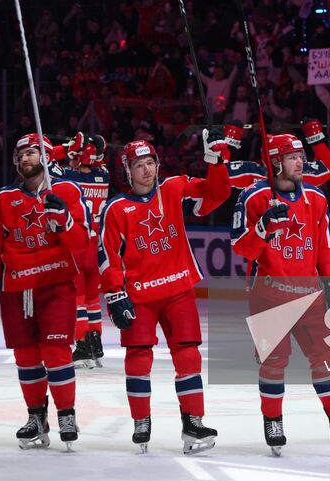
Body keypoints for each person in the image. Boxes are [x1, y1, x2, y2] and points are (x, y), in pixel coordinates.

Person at [231, 132, 330, 456]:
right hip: (268, 294)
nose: (300, 161)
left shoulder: (317, 198)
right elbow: (241, 247)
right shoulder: (253, 197)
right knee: (274, 363)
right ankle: (273, 420)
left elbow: (323, 248)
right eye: (291, 157)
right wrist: (263, 228)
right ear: (274, 162)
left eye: (300, 155)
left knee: (326, 358)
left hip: (310, 293)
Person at [98, 135, 231, 454]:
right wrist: (115, 293)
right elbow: (107, 255)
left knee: (188, 356)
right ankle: (141, 422)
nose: (146, 170)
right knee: (138, 360)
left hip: (178, 289)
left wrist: (218, 162)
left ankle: (193, 421)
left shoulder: (173, 187)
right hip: (139, 296)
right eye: (138, 165)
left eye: (150, 163)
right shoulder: (116, 208)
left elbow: (216, 193)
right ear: (128, 171)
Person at [0, 133, 91, 450]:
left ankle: (66, 415)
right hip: (17, 288)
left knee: (56, 354)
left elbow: (82, 243)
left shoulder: (66, 191)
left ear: (46, 157)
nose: (26, 159)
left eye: (32, 152)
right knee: (27, 359)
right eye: (21, 155)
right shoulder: (4, 199)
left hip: (56, 285)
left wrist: (65, 220)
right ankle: (35, 417)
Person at [53, 132, 112, 369]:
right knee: (92, 299)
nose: (71, 159)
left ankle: (82, 346)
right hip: (97, 245)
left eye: (76, 155)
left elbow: (45, 161)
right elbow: (98, 156)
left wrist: (66, 147)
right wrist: (85, 148)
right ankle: (96, 343)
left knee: (77, 299)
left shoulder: (69, 177)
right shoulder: (104, 176)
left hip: (78, 244)